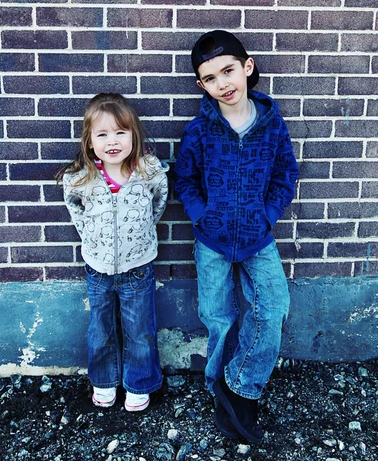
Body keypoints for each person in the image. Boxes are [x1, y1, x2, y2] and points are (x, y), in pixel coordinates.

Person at [174, 30, 298, 442]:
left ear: (247, 68)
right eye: (210, 78)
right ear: (201, 85)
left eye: (228, 70)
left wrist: (268, 214)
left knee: (273, 307)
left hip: (257, 237)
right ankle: (218, 392)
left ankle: (239, 385)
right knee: (218, 317)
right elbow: (185, 180)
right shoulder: (199, 130)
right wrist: (201, 216)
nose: (222, 84)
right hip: (212, 239)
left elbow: (285, 174)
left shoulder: (271, 124)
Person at [59, 93, 168, 412]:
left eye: (121, 132)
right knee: (101, 330)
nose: (112, 141)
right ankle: (104, 382)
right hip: (98, 269)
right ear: (90, 142)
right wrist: (92, 237)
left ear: (134, 136)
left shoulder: (148, 173)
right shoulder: (83, 179)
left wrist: (142, 229)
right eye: (102, 134)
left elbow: (158, 203)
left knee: (140, 331)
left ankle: (139, 383)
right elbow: (75, 209)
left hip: (138, 268)